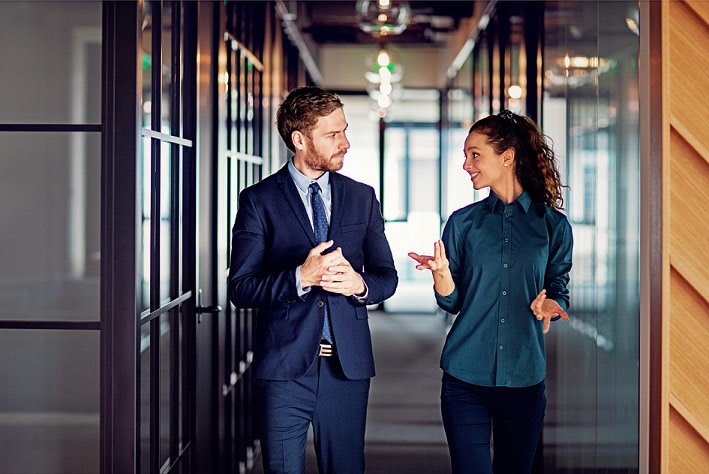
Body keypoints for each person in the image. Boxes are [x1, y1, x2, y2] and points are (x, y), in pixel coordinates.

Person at [228, 86, 398, 474]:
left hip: (347, 369)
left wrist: (360, 285)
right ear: (300, 140)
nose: (346, 142)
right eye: (333, 134)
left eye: (345, 130)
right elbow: (241, 287)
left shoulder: (362, 198)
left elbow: (387, 277)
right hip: (284, 368)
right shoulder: (259, 200)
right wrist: (299, 277)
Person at [408, 109, 573, 473]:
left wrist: (551, 304)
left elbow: (559, 285)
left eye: (474, 154)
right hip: (465, 378)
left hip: (525, 379)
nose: (466, 164)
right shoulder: (462, 223)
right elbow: (453, 301)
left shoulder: (553, 226)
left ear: (507, 157)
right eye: (465, 155)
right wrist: (441, 274)